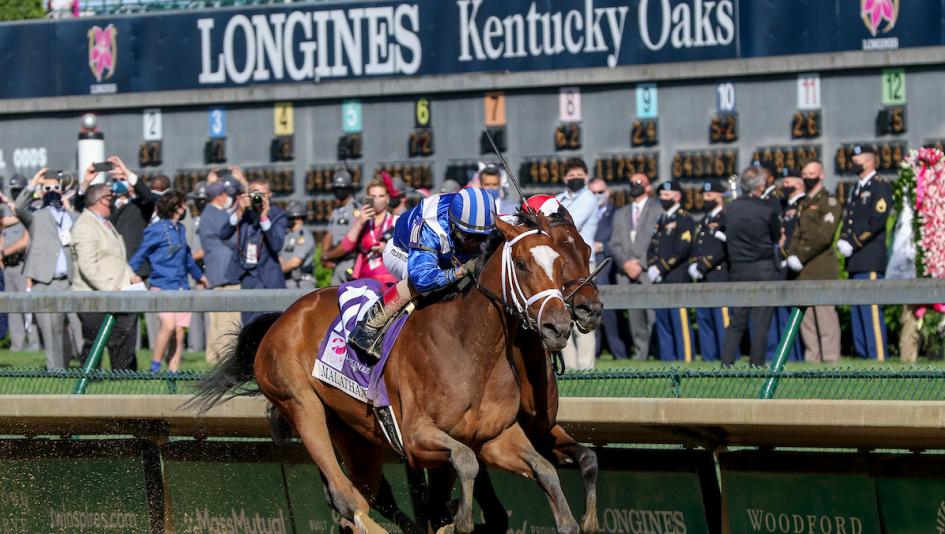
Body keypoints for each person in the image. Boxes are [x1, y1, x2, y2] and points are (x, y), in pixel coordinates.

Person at [349, 188, 496, 359]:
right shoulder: (432, 226)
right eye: (468, 236)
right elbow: (422, 278)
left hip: (444, 254)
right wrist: (461, 270)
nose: (474, 243)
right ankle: (368, 327)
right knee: (422, 285)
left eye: (481, 237)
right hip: (402, 252)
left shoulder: (485, 219)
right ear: (453, 224)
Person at [130, 191, 208, 373]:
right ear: (175, 207)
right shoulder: (156, 230)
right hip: (161, 286)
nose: (186, 208)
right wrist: (131, 273)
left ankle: (173, 373)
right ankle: (154, 368)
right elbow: (140, 254)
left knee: (179, 332)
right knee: (169, 326)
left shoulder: (180, 229)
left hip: (182, 286)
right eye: (183, 204)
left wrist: (200, 276)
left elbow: (187, 258)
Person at [70, 180, 142, 370]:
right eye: (111, 198)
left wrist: (131, 275)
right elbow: (88, 266)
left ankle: (124, 379)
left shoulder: (105, 223)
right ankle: (89, 380)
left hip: (117, 291)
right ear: (102, 201)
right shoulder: (85, 226)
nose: (114, 201)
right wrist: (110, 289)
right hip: (94, 296)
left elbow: (118, 257)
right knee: (95, 340)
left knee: (124, 337)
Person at [15, 168, 78, 369]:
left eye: (56, 187)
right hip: (46, 281)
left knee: (79, 327)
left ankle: (89, 370)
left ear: (63, 190)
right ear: (41, 192)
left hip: (71, 280)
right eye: (47, 187)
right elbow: (19, 207)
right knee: (51, 331)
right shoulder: (35, 216)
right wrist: (35, 182)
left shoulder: (72, 216)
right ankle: (57, 373)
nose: (52, 190)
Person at [720, 165, 782, 367]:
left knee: (737, 319)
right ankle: (756, 362)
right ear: (761, 186)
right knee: (761, 320)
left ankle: (727, 362)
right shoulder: (767, 209)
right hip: (763, 268)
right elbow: (775, 237)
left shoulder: (730, 209)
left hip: (738, 267)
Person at [836, 145, 893, 361]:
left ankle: (877, 356)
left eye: (857, 157)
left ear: (870, 161)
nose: (853, 160)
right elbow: (849, 219)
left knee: (870, 310)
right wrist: (843, 238)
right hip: (855, 260)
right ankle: (863, 356)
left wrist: (854, 242)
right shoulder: (856, 188)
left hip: (869, 257)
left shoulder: (879, 186)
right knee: (857, 309)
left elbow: (877, 220)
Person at [785, 160, 842, 363]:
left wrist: (800, 256)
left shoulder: (829, 201)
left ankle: (830, 358)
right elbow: (797, 233)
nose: (808, 177)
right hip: (802, 271)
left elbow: (823, 236)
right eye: (805, 173)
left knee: (825, 317)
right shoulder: (804, 203)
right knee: (806, 319)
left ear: (821, 175)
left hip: (821, 268)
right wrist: (791, 254)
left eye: (812, 173)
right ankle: (813, 358)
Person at [608, 173, 662, 360]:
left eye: (639, 182)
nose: (634, 185)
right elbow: (614, 244)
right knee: (635, 317)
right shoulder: (621, 213)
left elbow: (659, 240)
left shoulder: (658, 209)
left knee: (653, 314)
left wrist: (641, 263)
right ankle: (641, 354)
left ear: (648, 186)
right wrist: (625, 263)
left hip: (648, 270)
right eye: (631, 182)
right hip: (626, 271)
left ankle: (658, 352)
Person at [221, 177, 288, 325]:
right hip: (247, 277)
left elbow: (277, 245)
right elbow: (223, 234)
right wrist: (237, 213)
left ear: (269, 195)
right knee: (248, 327)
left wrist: (264, 217)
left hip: (269, 279)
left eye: (261, 195)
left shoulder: (278, 215)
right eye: (254, 194)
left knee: (270, 326)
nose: (257, 198)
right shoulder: (244, 213)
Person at [553, 158, 599, 370]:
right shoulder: (559, 199)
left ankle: (586, 367)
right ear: (564, 178)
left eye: (579, 174)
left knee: (584, 312)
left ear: (586, 176)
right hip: (561, 265)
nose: (575, 178)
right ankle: (570, 368)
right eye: (571, 175)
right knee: (563, 314)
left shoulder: (589, 197)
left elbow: (570, 225)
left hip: (582, 264)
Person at [646, 180, 695, 362]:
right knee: (663, 320)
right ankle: (668, 359)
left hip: (676, 276)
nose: (662, 198)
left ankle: (686, 358)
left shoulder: (684, 218)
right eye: (661, 195)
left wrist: (661, 267)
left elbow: (683, 248)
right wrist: (651, 265)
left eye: (667, 195)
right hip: (660, 278)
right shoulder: (662, 219)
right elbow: (652, 246)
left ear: (677, 196)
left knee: (679, 320)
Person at [197, 180, 241, 363]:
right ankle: (226, 358)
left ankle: (213, 357)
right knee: (228, 319)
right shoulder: (218, 214)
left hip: (215, 272)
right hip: (227, 273)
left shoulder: (205, 213)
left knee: (215, 320)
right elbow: (235, 240)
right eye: (226, 195)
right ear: (221, 196)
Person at [688, 181, 729, 362]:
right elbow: (699, 245)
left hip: (719, 274)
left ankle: (727, 356)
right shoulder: (706, 219)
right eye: (704, 196)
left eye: (710, 195)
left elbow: (723, 248)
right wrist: (695, 263)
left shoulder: (725, 217)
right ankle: (708, 357)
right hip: (704, 276)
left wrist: (703, 265)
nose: (706, 199)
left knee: (722, 320)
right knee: (705, 318)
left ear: (720, 196)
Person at [589, 177, 629, 360]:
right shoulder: (587, 213)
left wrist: (603, 246)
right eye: (593, 193)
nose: (597, 196)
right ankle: (594, 351)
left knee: (611, 314)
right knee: (589, 311)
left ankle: (619, 352)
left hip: (607, 265)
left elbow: (621, 241)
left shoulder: (617, 214)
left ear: (608, 192)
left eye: (600, 192)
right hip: (589, 266)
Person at [768, 169, 805, 362]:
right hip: (780, 262)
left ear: (799, 183)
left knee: (793, 313)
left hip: (795, 263)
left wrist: (789, 253)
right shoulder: (783, 205)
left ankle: (796, 355)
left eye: (788, 180)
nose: (784, 184)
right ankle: (787, 356)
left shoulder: (803, 203)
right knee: (782, 314)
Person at [337, 179, 397, 285]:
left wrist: (387, 249)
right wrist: (359, 222)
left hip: (391, 279)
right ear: (367, 199)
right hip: (365, 279)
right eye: (373, 196)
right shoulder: (362, 221)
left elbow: (407, 252)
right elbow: (346, 246)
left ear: (387, 199)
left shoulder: (396, 221)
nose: (377, 200)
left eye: (381, 196)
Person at [2, 174, 37, 352]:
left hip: (24, 265)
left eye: (19, 190)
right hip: (8, 266)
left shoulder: (29, 211)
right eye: (13, 190)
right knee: (13, 309)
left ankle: (34, 344)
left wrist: (4, 252)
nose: (16, 193)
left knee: (28, 307)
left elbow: (25, 240)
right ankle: (17, 346)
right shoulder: (8, 213)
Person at [322, 170, 361, 285]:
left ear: (349, 189)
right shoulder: (337, 211)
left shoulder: (356, 210)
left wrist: (328, 255)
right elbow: (329, 234)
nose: (339, 192)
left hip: (350, 263)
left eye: (342, 188)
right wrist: (325, 256)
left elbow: (349, 243)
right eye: (336, 189)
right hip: (336, 263)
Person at [280, 201, 317, 290]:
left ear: (299, 219)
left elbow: (295, 262)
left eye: (291, 218)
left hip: (301, 283)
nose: (288, 220)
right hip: (287, 281)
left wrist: (276, 272)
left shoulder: (304, 236)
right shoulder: (288, 235)